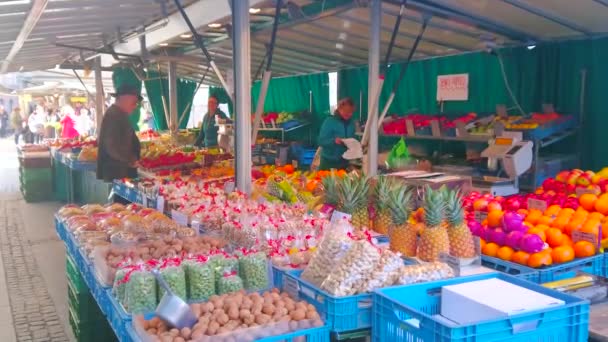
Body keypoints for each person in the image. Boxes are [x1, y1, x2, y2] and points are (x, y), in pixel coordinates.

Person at [97, 84, 142, 182]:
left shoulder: (118, 114)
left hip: (120, 170)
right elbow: (112, 146)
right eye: (133, 102)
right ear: (124, 99)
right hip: (118, 171)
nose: (135, 106)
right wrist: (131, 160)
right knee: (120, 197)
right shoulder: (114, 115)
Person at [317, 97, 357, 171]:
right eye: (345, 111)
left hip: (344, 163)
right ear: (339, 109)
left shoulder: (351, 124)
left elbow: (353, 138)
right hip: (328, 163)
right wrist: (334, 141)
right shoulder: (329, 121)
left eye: (351, 111)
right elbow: (320, 141)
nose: (348, 113)